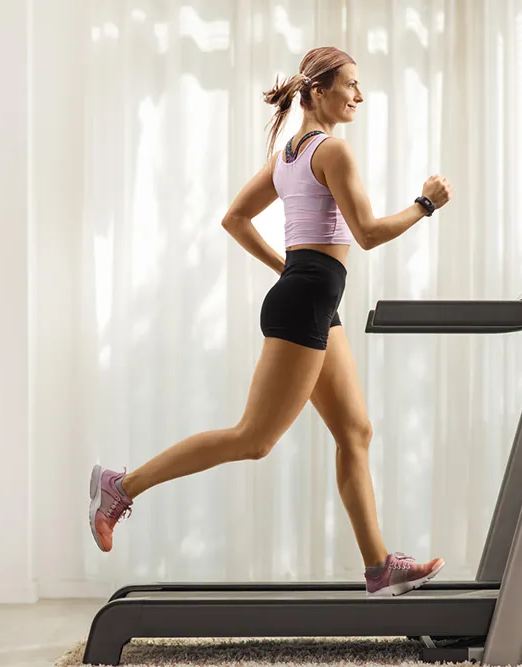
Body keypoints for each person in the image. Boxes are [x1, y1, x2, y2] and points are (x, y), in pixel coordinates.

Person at [87, 46, 452, 597]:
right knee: (254, 439)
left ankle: (380, 568)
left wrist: (290, 268)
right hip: (306, 301)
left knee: (355, 431)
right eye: (351, 84)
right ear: (318, 92)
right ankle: (122, 485)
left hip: (314, 298)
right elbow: (368, 234)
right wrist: (425, 204)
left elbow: (234, 218)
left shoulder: (289, 155)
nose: (359, 95)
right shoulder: (332, 151)